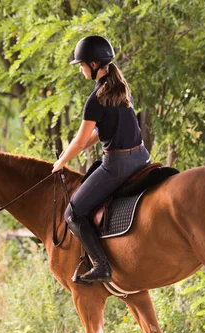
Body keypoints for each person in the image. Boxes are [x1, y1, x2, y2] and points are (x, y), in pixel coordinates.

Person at [52, 35, 151, 283]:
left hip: (117, 166)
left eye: (82, 64)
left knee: (73, 214)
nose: (82, 69)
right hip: (141, 158)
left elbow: (80, 140)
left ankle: (101, 265)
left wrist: (60, 162)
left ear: (94, 64)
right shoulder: (122, 90)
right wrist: (76, 148)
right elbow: (103, 132)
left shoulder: (95, 99)